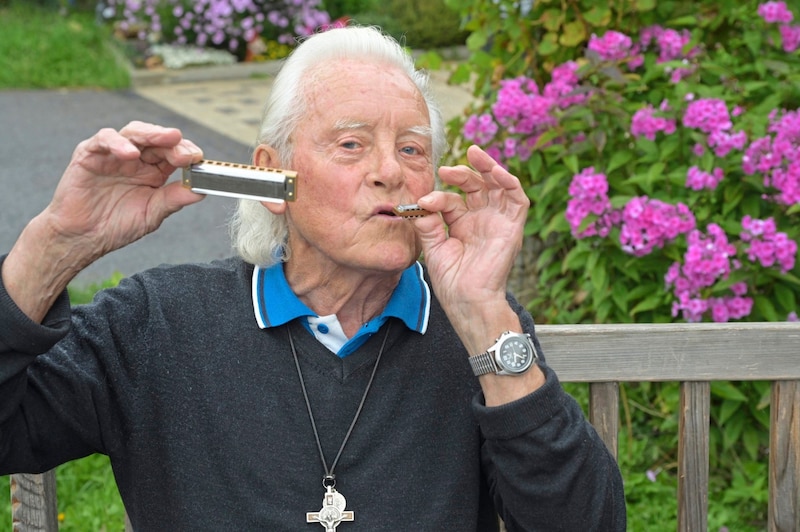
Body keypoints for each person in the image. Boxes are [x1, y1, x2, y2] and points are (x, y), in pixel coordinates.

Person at [0, 26, 626, 531]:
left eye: (412, 150)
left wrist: (487, 316)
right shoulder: (157, 323)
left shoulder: (475, 336)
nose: (390, 171)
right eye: (352, 145)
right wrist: (56, 243)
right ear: (273, 178)